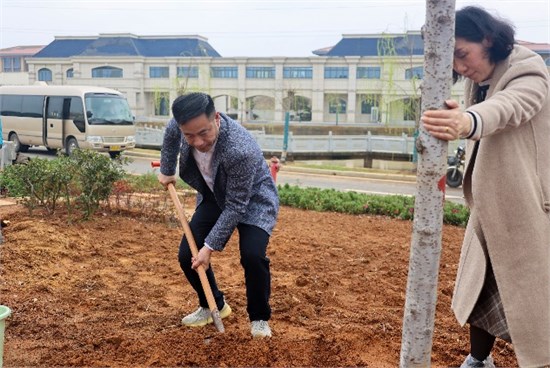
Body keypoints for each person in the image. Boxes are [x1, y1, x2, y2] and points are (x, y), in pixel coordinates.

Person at [421, 6, 550, 368]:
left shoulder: (526, 67)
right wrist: (455, 111)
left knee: (535, 303)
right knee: (480, 290)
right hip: (492, 203)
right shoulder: (479, 77)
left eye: (463, 54)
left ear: (488, 39)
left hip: (528, 206)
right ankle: (478, 361)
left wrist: (466, 120)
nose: (460, 67)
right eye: (452, 60)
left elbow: (509, 108)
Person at [157, 92, 279, 338]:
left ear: (216, 118)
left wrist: (210, 247)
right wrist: (167, 170)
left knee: (253, 255)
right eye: (189, 135)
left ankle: (259, 319)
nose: (198, 141)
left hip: (253, 199)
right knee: (187, 255)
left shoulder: (238, 148)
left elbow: (236, 205)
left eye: (204, 133)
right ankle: (214, 304)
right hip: (214, 194)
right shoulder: (179, 125)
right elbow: (171, 136)